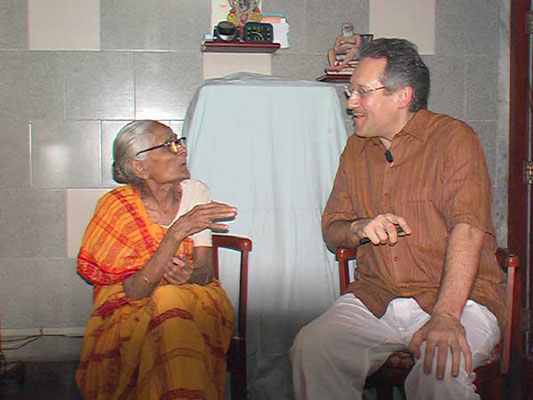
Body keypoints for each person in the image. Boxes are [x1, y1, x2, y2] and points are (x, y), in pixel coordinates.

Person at [291, 38, 506, 400]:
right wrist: (359, 227)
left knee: (439, 374)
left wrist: (447, 317)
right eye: (350, 90)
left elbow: (467, 229)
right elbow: (332, 230)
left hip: (458, 299)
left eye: (362, 91)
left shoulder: (455, 140)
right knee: (311, 350)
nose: (351, 102)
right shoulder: (356, 149)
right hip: (377, 297)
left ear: (402, 96)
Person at [75, 120, 238, 400]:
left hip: (195, 299)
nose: (182, 151)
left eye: (180, 142)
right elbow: (134, 291)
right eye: (169, 145)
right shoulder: (116, 207)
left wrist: (189, 276)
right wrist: (176, 233)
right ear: (140, 167)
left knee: (171, 299)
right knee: (166, 301)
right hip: (130, 307)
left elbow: (206, 272)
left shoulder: (196, 192)